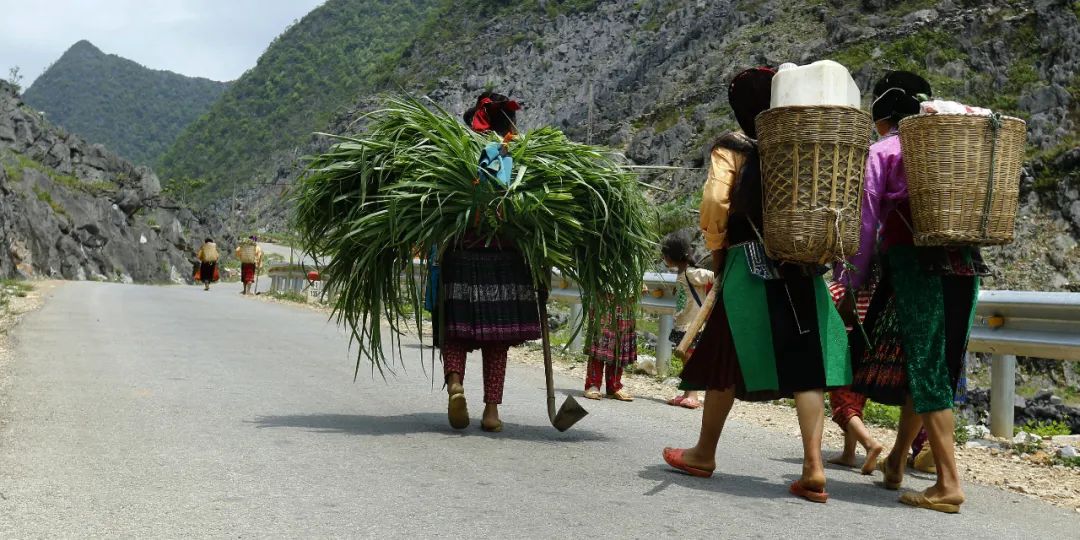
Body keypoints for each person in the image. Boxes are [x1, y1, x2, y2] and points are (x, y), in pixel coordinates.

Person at [662, 67, 851, 503]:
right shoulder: (802, 143)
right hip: (803, 265)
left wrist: (718, 247)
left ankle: (704, 453)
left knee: (723, 356)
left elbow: (714, 202)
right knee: (807, 366)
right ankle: (813, 467)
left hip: (748, 264)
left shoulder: (733, 146)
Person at [840, 71, 986, 513]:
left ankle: (948, 484)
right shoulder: (953, 150)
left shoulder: (883, 152)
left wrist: (851, 282)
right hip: (966, 264)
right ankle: (897, 463)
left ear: (883, 116)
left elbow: (865, 227)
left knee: (926, 368)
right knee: (931, 365)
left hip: (917, 267)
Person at [440, 91, 538, 433]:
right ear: (508, 123)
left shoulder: (455, 158)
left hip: (462, 256)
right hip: (504, 260)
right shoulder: (523, 158)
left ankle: (455, 384)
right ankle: (491, 411)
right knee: (497, 341)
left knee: (455, 332)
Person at [825, 280, 883, 474]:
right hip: (867, 357)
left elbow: (824, 319)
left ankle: (870, 444)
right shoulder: (876, 291)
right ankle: (849, 454)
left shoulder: (838, 289)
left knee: (843, 406)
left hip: (843, 356)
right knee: (856, 404)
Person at [661, 231, 713, 410]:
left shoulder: (692, 274)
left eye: (664, 254)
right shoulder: (683, 274)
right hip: (682, 324)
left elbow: (714, 277)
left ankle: (693, 395)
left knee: (690, 358)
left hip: (692, 325)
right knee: (685, 357)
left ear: (671, 256)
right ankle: (686, 393)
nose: (663, 257)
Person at [583, 304, 636, 402]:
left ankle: (614, 386)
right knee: (600, 343)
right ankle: (593, 385)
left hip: (625, 302)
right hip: (605, 299)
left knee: (619, 344)